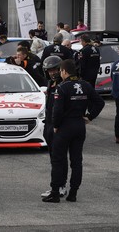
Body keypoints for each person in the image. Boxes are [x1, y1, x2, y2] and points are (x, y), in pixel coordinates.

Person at [42, 59, 104, 203]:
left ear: (63, 71)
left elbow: (57, 111)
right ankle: (73, 193)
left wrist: (56, 125)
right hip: (79, 126)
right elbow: (99, 102)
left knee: (58, 160)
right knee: (77, 161)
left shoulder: (62, 87)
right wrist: (89, 116)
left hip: (64, 127)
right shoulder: (85, 85)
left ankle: (55, 192)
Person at [40, 55, 66, 198]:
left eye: (54, 70)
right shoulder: (50, 84)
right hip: (48, 125)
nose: (52, 73)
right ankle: (57, 184)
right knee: (53, 158)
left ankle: (60, 186)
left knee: (60, 158)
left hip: (59, 127)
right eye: (49, 71)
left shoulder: (64, 85)